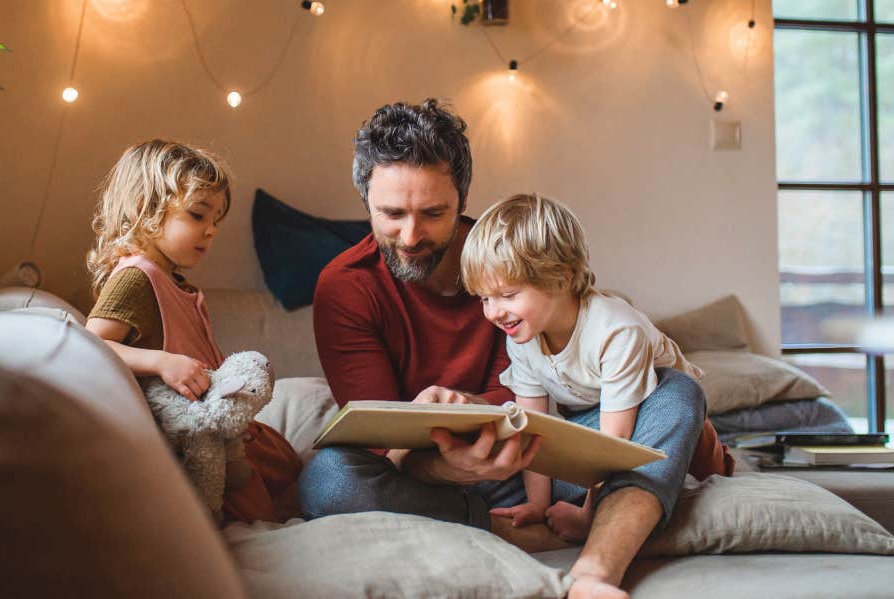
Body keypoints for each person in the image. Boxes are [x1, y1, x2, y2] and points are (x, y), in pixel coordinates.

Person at [300, 100, 730, 599]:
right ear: (366, 202)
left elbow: (572, 407)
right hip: (427, 476)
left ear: (461, 200)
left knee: (675, 391)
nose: (411, 236)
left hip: (539, 456)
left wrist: (482, 418)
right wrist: (449, 463)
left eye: (433, 213)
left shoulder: (517, 258)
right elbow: (382, 450)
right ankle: (518, 530)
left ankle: (597, 564)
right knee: (327, 479)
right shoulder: (345, 288)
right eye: (391, 214)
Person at [462, 193, 720, 594]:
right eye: (484, 298)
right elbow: (536, 427)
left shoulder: (616, 331)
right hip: (591, 419)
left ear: (562, 278)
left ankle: (706, 456)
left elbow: (612, 444)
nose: (493, 312)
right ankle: (630, 495)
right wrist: (538, 505)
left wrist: (587, 515)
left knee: (682, 407)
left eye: (508, 295)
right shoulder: (522, 337)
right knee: (501, 461)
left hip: (651, 411)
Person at [85, 139, 301, 524]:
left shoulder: (170, 280)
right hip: (193, 438)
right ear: (144, 210)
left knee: (285, 459)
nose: (211, 230)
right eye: (198, 215)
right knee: (274, 486)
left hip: (216, 420)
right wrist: (160, 361)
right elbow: (91, 344)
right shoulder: (137, 277)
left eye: (216, 219)